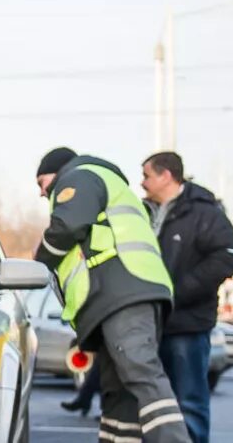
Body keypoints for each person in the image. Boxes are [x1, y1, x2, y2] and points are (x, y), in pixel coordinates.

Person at [33, 147, 190, 443]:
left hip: (124, 293)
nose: (42, 194)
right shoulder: (103, 183)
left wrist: (39, 258)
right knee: (119, 392)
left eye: (41, 183)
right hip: (123, 293)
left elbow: (68, 225)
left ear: (56, 172)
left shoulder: (79, 176)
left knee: (141, 372)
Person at [139, 151, 233, 443]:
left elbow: (225, 258)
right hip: (149, 323)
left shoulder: (204, 213)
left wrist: (180, 290)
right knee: (154, 401)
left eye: (146, 175)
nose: (142, 183)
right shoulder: (142, 211)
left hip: (188, 323)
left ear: (166, 176)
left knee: (189, 400)